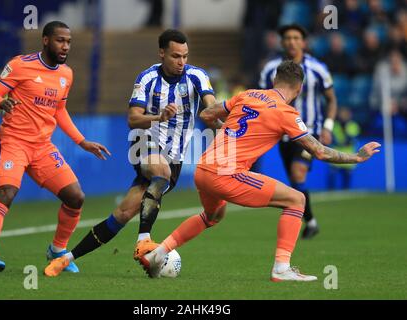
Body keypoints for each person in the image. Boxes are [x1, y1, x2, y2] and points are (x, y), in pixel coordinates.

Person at [140, 60, 380, 281]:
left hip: (203, 170)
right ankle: (282, 268)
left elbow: (206, 114)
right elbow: (319, 151)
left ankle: (158, 253)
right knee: (297, 200)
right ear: (299, 90)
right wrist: (356, 157)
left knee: (213, 216)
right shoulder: (286, 112)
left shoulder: (248, 94)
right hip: (227, 174)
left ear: (274, 81)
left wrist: (229, 131)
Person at [44, 29, 220, 277]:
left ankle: (65, 259)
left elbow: (211, 107)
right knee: (160, 170)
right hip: (145, 143)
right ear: (162, 53)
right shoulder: (147, 79)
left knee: (124, 212)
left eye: (185, 56)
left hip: (175, 157)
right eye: (175, 56)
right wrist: (159, 117)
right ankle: (144, 240)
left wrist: (220, 122)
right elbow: (133, 119)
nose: (181, 62)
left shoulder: (197, 76)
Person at [0, 21, 110, 273]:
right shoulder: (20, 64)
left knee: (75, 197)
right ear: (46, 40)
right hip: (13, 142)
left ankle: (57, 249)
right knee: (6, 193)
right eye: (60, 40)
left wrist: (82, 142)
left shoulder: (66, 74)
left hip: (42, 147)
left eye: (69, 42)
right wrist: (1, 103)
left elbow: (59, 110)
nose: (65, 46)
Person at [258, 24, 338, 239]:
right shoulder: (270, 69)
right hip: (282, 134)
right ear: (282, 42)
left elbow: (331, 99)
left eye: (296, 38)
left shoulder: (318, 69)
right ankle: (310, 221)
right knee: (295, 181)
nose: (292, 42)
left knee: (297, 173)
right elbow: (262, 99)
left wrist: (327, 127)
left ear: (303, 42)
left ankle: (303, 217)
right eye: (288, 38)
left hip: (308, 131)